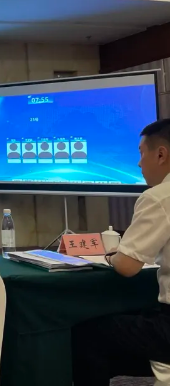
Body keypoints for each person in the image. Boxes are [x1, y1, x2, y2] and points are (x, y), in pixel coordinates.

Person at [72, 118, 170, 385]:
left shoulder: (159, 197)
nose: (138, 164)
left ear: (161, 154)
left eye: (141, 153)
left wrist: (113, 254)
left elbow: (127, 267)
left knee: (87, 335)